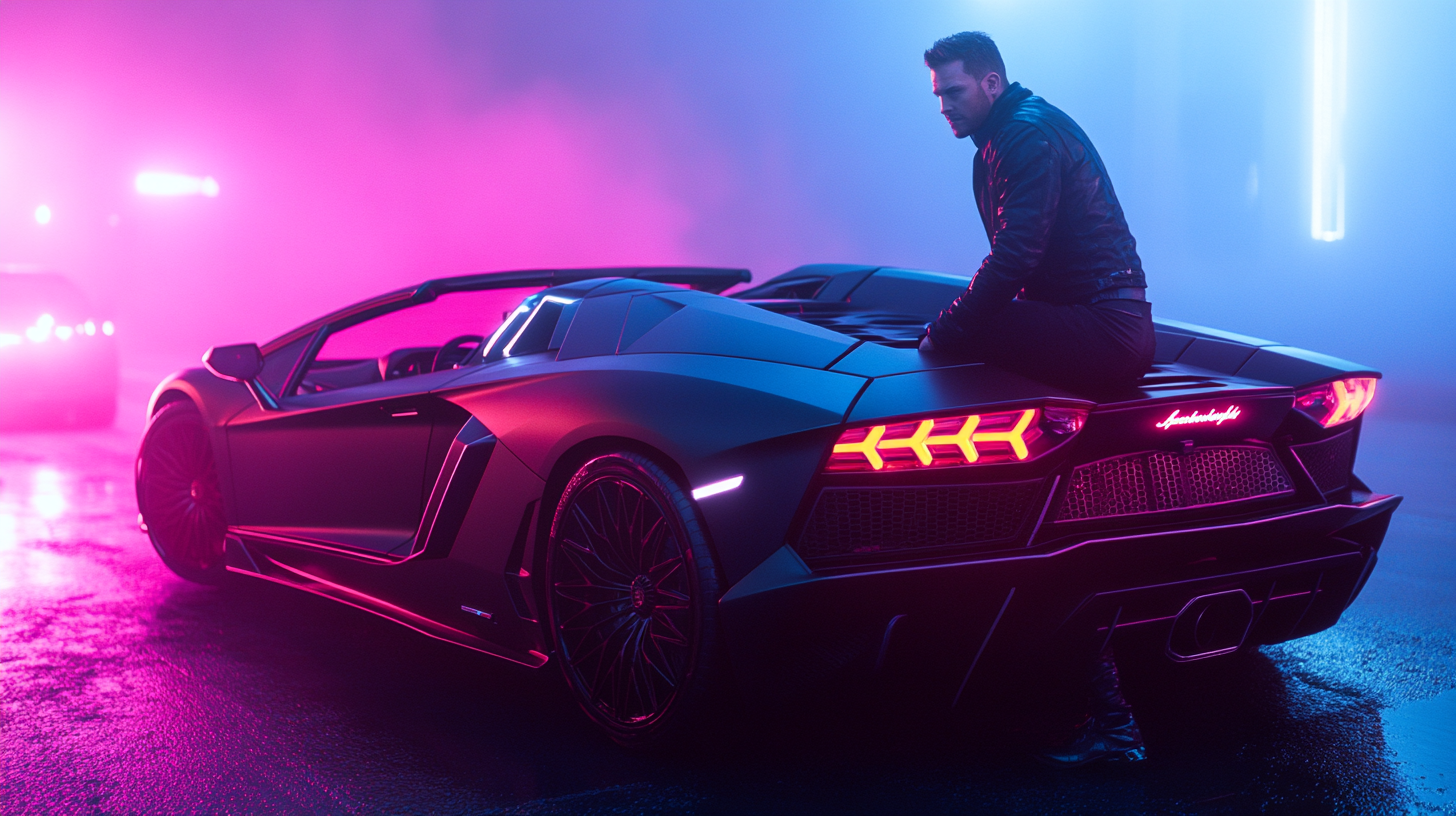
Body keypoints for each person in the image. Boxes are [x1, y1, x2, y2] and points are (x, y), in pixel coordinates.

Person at [920, 31, 1150, 767]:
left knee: (957, 337)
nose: (945, 107)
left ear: (991, 82)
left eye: (954, 91)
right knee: (971, 330)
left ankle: (957, 496)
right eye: (938, 96)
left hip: (1105, 327)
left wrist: (944, 332)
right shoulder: (1008, 135)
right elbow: (1027, 264)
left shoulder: (1023, 135)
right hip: (1097, 321)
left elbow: (1017, 256)